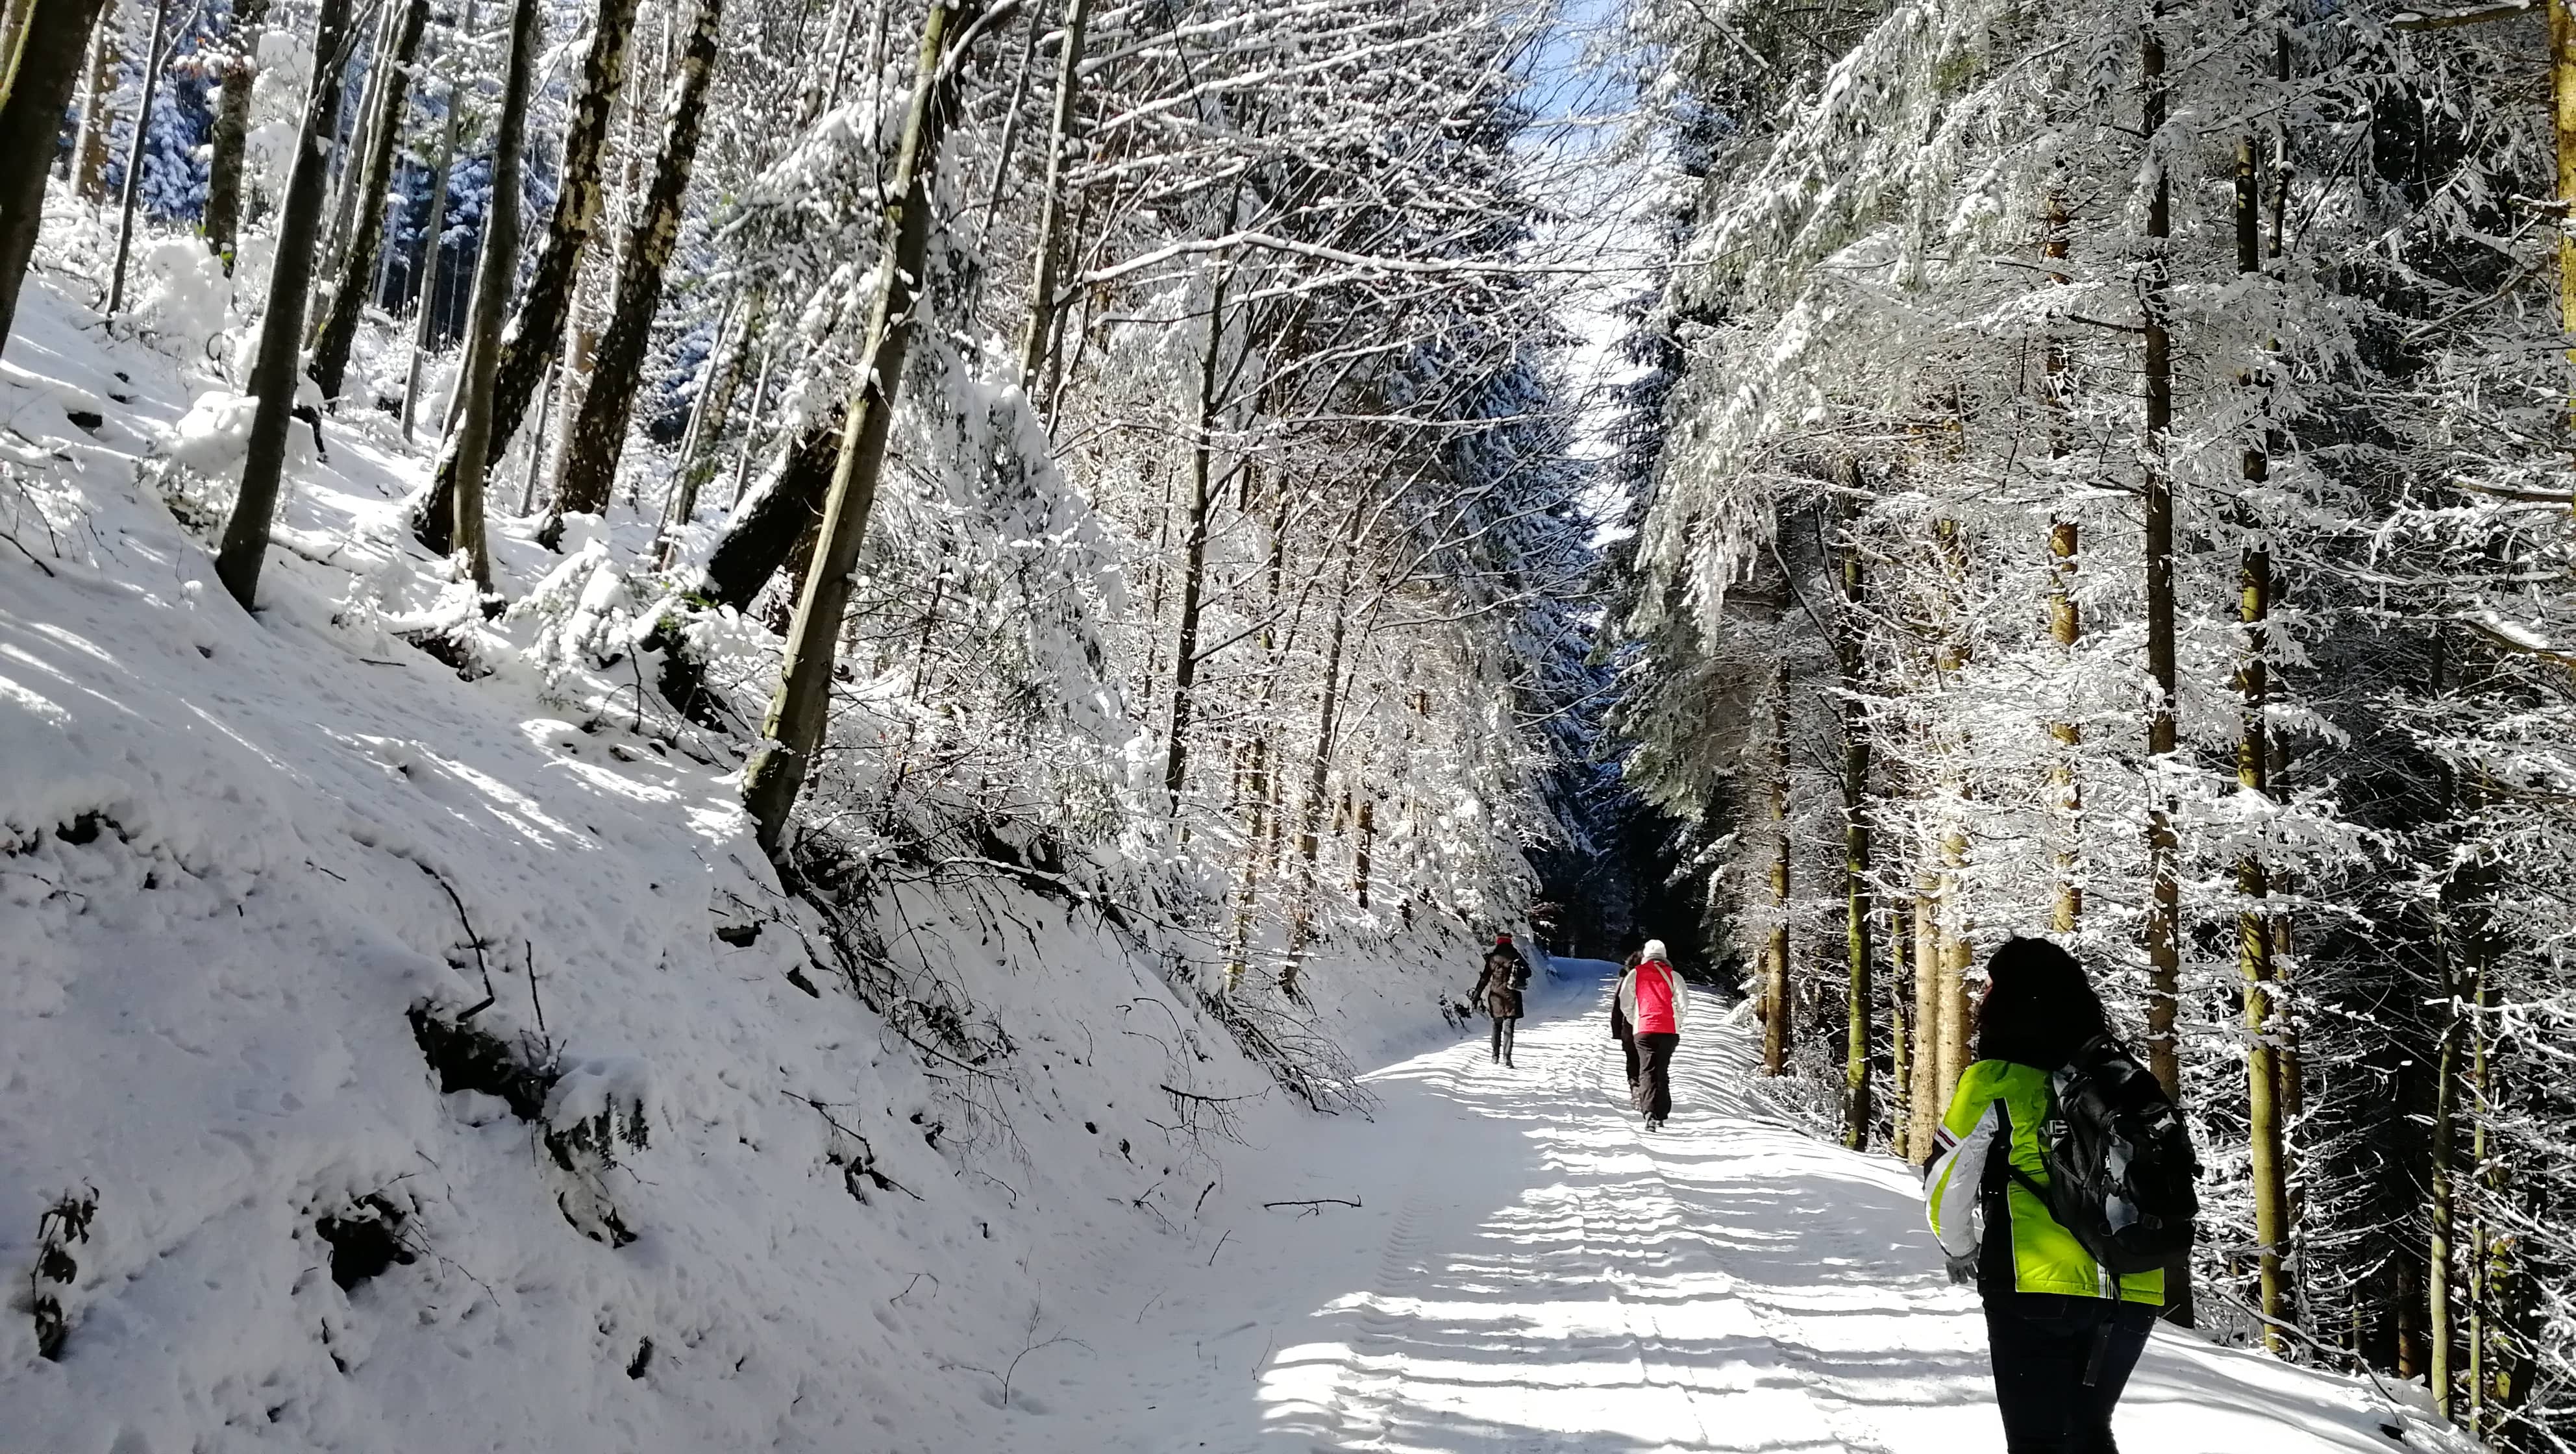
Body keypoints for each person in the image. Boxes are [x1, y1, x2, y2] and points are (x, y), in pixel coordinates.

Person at [1925, 937, 2165, 1454]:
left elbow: (1948, 1177)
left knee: (2038, 1441)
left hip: (2033, 1283)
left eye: (1991, 984)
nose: (1983, 993)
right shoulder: (2125, 1079)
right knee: (2088, 1432)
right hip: (2134, 1285)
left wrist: (1959, 1247)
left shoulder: (1994, 1079)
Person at [1613, 940, 1685, 1128]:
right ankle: (1661, 1112)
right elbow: (1684, 1004)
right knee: (1662, 1069)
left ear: (1646, 955)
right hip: (1669, 1031)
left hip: (1644, 1029)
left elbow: (1624, 1001)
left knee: (1647, 1070)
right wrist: (1677, 1020)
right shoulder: (1674, 976)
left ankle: (1649, 1112)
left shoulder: (1636, 974)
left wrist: (1633, 1018)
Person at [1470, 933, 1531, 1066]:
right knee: (1509, 1028)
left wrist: (1476, 996)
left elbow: (1484, 979)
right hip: (1512, 996)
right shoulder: (1516, 956)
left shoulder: (1493, 958)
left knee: (1496, 1025)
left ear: (1498, 942)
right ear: (1509, 943)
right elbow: (1528, 973)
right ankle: (1507, 1058)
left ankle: (1495, 1056)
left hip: (1496, 996)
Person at [1609, 945, 1642, 1102]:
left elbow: (1617, 1007)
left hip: (1630, 1028)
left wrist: (1616, 1031)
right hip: (1655, 1028)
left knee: (1633, 1059)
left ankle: (1635, 1085)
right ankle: (1651, 1092)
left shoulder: (1625, 980)